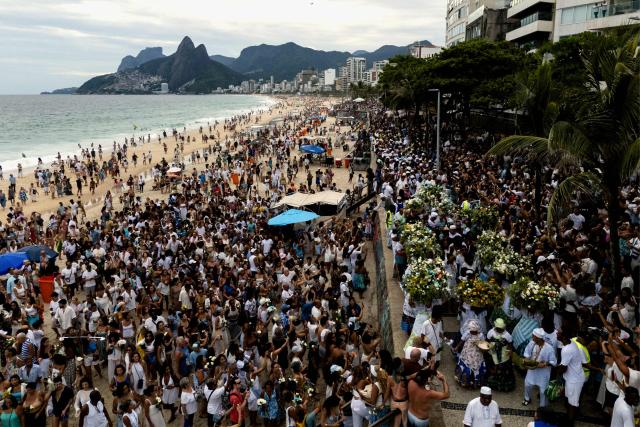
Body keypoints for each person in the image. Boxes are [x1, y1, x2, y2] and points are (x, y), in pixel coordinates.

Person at [557, 331, 587, 425]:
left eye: (559, 333)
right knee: (569, 401)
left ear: (564, 337)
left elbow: (563, 368)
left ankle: (570, 423)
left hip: (574, 380)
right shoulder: (571, 343)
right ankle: (569, 418)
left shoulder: (567, 349)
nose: (557, 333)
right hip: (571, 377)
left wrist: (556, 374)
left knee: (572, 403)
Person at [522, 328, 557, 407]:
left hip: (543, 373)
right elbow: (526, 354)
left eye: (533, 336)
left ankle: (542, 405)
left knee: (542, 390)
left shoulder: (549, 348)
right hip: (532, 370)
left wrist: (545, 364)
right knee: (528, 384)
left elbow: (554, 362)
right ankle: (527, 398)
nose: (532, 337)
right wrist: (528, 362)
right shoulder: (531, 343)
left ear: (538, 338)